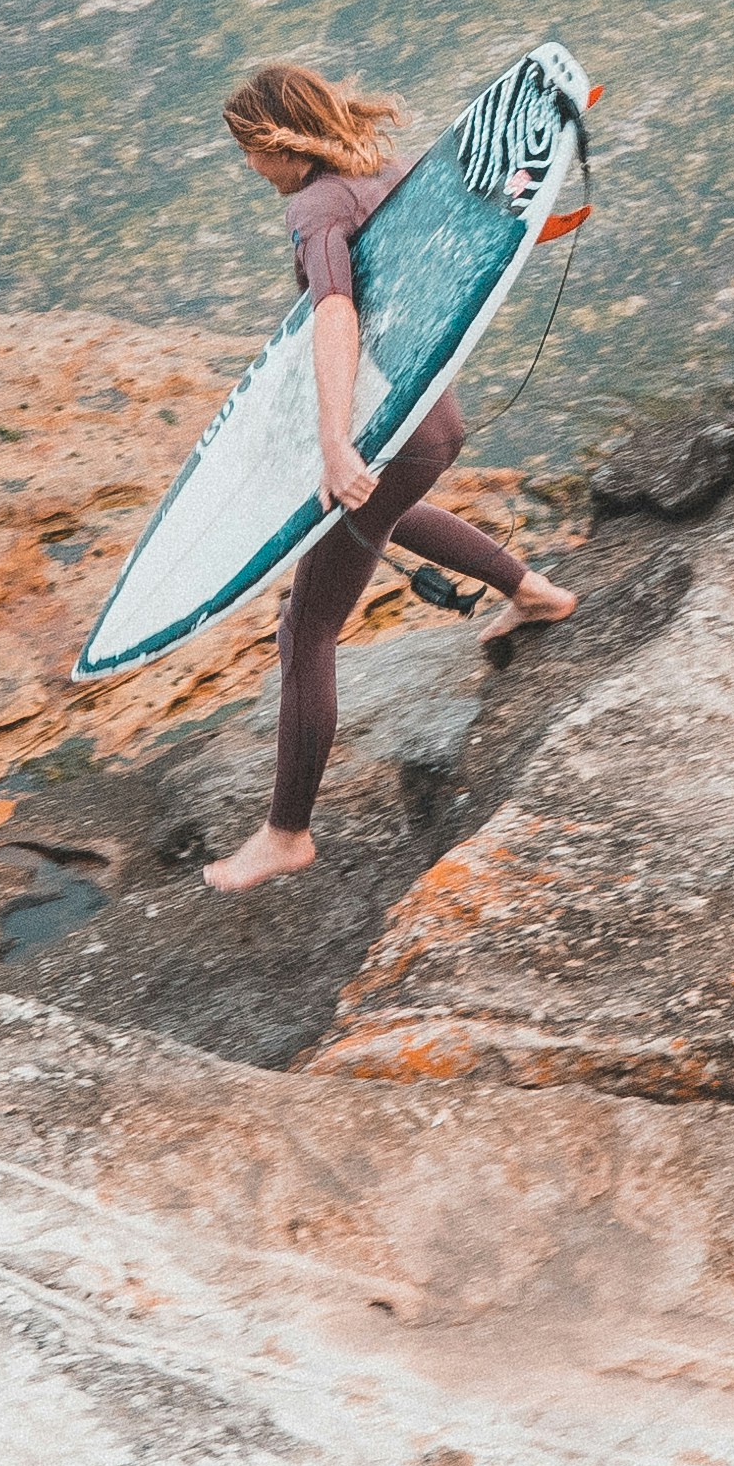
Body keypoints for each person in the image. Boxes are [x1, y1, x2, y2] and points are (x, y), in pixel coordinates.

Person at [204, 63, 573, 893]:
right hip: (429, 421)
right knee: (389, 512)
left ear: (273, 142)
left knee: (307, 631)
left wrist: (336, 443)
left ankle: (286, 833)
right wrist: (545, 213)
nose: (251, 172)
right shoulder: (385, 173)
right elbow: (480, 235)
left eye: (249, 154)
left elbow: (336, 309)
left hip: (388, 434)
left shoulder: (314, 205)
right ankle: (534, 592)